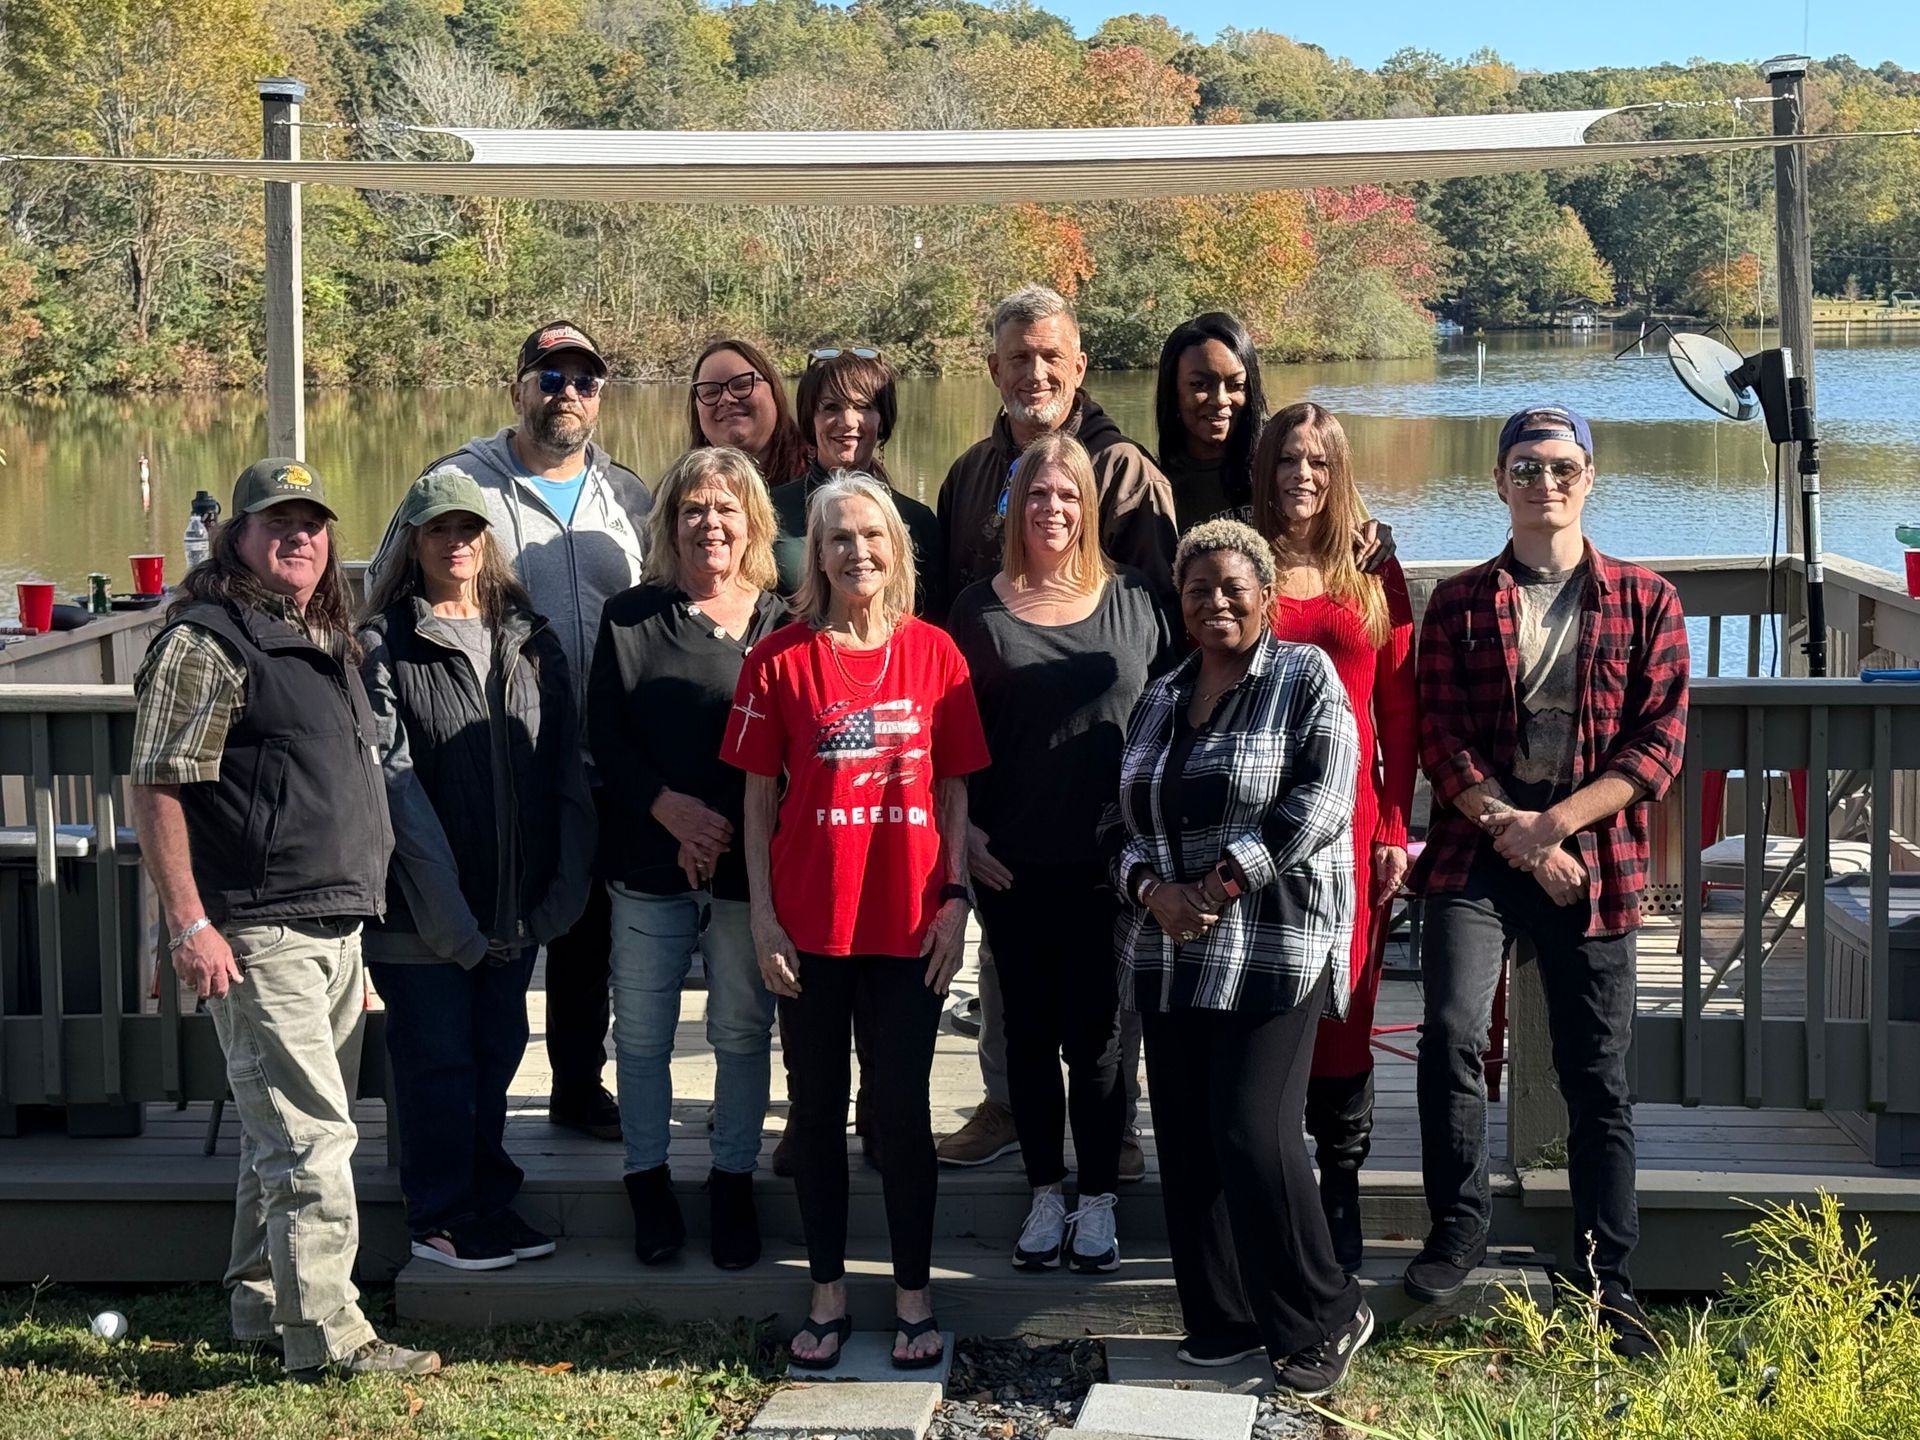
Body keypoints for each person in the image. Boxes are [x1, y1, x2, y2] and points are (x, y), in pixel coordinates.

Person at [127, 458, 438, 1380]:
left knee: (285, 1128)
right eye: (277, 522)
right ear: (238, 537)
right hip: (258, 929)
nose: (299, 537)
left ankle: (263, 1304)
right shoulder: (209, 640)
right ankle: (329, 1338)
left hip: (330, 926)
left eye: (312, 523)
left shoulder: (316, 635)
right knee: (314, 1137)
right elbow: (156, 785)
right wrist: (188, 923)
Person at [1407, 407, 1687, 1360]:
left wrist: (1558, 825)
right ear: (1499, 483)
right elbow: (1437, 736)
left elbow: (1658, 745)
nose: (1545, 483)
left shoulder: (1648, 601)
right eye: (1526, 468)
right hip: (1475, 848)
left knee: (1596, 1076)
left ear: (1590, 478)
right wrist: (1516, 832)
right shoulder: (1455, 602)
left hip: (1595, 860)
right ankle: (1459, 1226)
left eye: (1563, 467)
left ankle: (1611, 1277)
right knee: (1447, 1032)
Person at [727, 473, 989, 1371]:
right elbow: (758, 801)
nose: (857, 552)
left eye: (872, 536)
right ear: (816, 552)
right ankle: (828, 1292)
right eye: (838, 538)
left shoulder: (937, 655)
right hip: (809, 927)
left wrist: (955, 902)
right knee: (815, 1113)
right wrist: (763, 918)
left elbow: (953, 787)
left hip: (910, 923)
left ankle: (914, 1295)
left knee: (906, 1114)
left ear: (897, 548)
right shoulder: (779, 659)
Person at [1105, 519, 1371, 1400]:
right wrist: (1153, 894)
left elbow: (1322, 801)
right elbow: (1118, 827)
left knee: (1253, 1132)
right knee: (1187, 1141)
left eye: (1231, 585)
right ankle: (1219, 1317)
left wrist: (1217, 885)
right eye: (1196, 588)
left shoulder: (1303, 677)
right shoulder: (1159, 695)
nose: (1213, 600)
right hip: (1171, 952)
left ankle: (1324, 1313)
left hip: (1272, 945)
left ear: (1264, 594)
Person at [388, 320, 651, 1144]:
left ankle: (578, 1084)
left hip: (612, 753)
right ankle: (461, 1137)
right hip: (500, 754)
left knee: (589, 930)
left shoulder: (632, 496)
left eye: (583, 380)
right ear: (517, 387)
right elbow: (391, 589)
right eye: (549, 377)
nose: (566, 393)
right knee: (502, 928)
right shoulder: (461, 481)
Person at [935, 283, 1176, 1177]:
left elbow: (1164, 644)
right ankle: (1007, 1105)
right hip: (1002, 791)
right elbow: (941, 643)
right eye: (1016, 358)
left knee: (1111, 985)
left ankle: (1117, 1129)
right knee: (1008, 971)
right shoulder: (967, 474)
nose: (1033, 372)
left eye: (1050, 357)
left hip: (1107, 798)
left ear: (1079, 366)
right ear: (993, 369)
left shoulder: (1125, 476)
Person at [358, 473, 595, 1271]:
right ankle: (439, 1217)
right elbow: (395, 786)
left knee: (495, 1054)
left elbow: (565, 766)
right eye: (436, 530)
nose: (454, 542)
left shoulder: (532, 638)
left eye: (468, 528)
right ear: (413, 544)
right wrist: (447, 913)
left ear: (488, 540)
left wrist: (559, 893)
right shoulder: (382, 644)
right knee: (436, 1064)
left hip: (514, 907)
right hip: (421, 912)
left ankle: (487, 1199)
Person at [589, 447, 786, 1271]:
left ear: (754, 524)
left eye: (727, 509)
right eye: (694, 509)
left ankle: (732, 1180)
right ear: (670, 524)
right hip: (649, 861)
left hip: (751, 870)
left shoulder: (785, 620)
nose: (711, 523)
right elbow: (605, 736)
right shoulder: (632, 619)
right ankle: (649, 1181)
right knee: (640, 1037)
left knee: (742, 1031)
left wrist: (730, 833)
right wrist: (669, 810)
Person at [1252, 403, 1417, 1275]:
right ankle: (1270, 1187)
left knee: (1345, 1003)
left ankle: (1340, 1186)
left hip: (1350, 823)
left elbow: (1397, 706)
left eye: (1317, 461)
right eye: (1287, 459)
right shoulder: (1239, 555)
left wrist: (1393, 824)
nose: (1302, 476)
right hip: (1255, 819)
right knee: (1269, 999)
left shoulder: (1371, 565)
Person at [773, 347, 948, 621]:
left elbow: (935, 624)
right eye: (831, 407)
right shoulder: (771, 511)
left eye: (864, 406)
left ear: (883, 419)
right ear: (811, 417)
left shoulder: (917, 521)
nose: (848, 421)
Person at [1154, 311, 1268, 532]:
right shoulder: (1155, 486)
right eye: (1199, 385)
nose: (1220, 400)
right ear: (1173, 391)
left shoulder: (1282, 464)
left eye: (1236, 385)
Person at [689, 337, 811, 487]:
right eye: (710, 392)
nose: (726, 398)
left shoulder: (823, 478)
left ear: (774, 391)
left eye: (742, 384)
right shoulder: (680, 494)